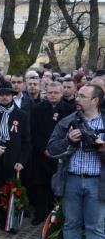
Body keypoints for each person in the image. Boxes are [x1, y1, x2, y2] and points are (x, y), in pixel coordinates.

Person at [47, 84, 105, 239]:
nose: (77, 98)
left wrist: (102, 147)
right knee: (71, 224)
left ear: (95, 101)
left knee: (96, 228)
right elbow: (51, 149)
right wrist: (68, 140)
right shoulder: (68, 121)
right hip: (71, 179)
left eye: (82, 95)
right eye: (78, 94)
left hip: (97, 182)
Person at [0, 84, 31, 235]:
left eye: (7, 94)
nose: (4, 97)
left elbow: (26, 141)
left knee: (9, 190)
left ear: (12, 96)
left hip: (12, 159)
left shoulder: (21, 115)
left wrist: (21, 161)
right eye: (1, 94)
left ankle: (6, 221)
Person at [30, 82, 74, 225]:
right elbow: (33, 131)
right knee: (40, 185)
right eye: (50, 93)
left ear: (61, 94)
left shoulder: (69, 110)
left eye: (56, 92)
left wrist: (57, 149)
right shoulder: (37, 109)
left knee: (57, 186)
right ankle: (40, 213)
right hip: (41, 154)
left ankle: (56, 216)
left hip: (60, 155)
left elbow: (70, 132)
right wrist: (44, 149)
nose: (53, 95)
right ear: (45, 93)